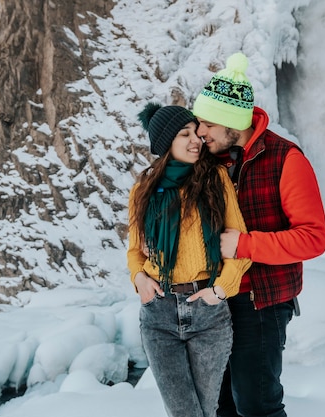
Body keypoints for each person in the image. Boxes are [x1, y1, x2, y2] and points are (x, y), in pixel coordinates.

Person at [192, 52, 325, 417]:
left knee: (256, 405)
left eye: (207, 123)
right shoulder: (210, 159)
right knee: (219, 406)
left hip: (260, 303)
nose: (199, 132)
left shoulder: (286, 160)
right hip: (213, 298)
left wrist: (245, 245)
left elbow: (313, 237)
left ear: (232, 123)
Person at [127, 102, 252, 417]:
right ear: (166, 143)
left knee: (205, 411)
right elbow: (135, 251)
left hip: (208, 314)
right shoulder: (142, 189)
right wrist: (138, 278)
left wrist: (220, 289)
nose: (196, 140)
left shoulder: (215, 180)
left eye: (196, 132)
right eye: (185, 134)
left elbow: (239, 242)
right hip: (159, 315)